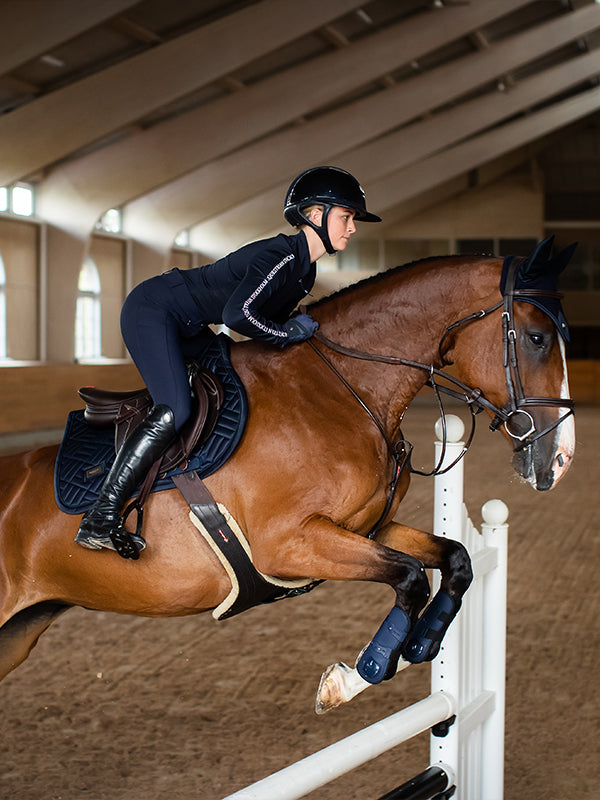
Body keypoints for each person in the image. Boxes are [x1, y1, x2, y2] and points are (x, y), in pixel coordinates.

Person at [75, 166, 381, 556]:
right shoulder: (281, 256)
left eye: (352, 219)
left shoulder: (305, 271)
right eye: (346, 217)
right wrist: (289, 332)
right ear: (315, 216)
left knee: (230, 386)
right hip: (154, 310)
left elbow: (267, 326)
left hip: (190, 324)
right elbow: (241, 317)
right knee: (176, 408)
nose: (352, 228)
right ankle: (100, 518)